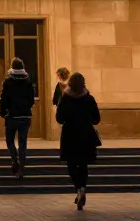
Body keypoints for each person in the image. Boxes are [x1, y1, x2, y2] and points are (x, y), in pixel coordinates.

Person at [56, 72, 101, 210]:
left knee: (71, 165)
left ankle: (79, 188)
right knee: (83, 165)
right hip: (85, 135)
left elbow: (59, 119)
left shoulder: (65, 98)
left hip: (70, 135)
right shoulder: (89, 98)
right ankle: (82, 188)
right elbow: (96, 119)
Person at [0, 57, 35, 178]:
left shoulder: (8, 81)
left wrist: (3, 112)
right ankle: (22, 169)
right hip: (25, 116)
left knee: (10, 140)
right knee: (23, 142)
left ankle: (14, 160)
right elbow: (31, 100)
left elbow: (4, 99)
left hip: (12, 116)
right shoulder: (28, 81)